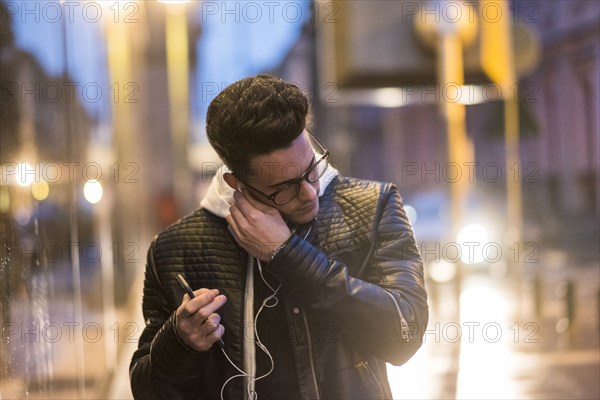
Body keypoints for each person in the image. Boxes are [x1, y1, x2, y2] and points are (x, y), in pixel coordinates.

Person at [129, 74, 428, 399]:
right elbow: (148, 390)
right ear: (236, 183)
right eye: (284, 188)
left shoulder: (373, 207)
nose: (309, 193)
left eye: (312, 167)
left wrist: (286, 253)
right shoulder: (176, 249)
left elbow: (404, 335)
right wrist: (179, 344)